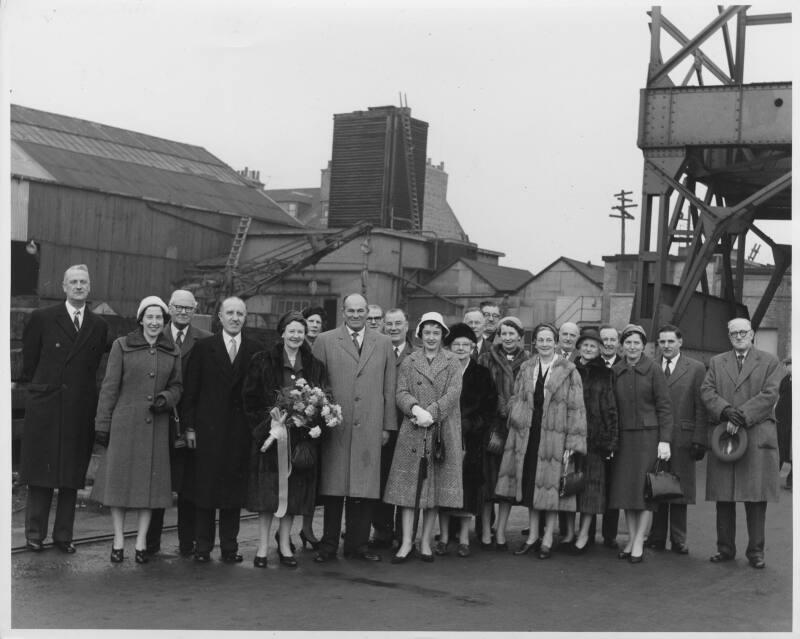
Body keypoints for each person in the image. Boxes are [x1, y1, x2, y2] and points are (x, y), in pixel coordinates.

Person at [19, 264, 109, 553]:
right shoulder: (43, 318)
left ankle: (63, 536)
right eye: (74, 282)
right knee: (41, 474)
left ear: (89, 287)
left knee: (71, 476)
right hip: (47, 405)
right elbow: (30, 363)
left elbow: (93, 368)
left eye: (84, 282)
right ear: (63, 287)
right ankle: (34, 534)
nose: (79, 286)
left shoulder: (98, 326)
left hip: (78, 408)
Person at [91, 296, 182, 563]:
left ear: (165, 321)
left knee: (149, 489)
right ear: (141, 319)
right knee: (118, 486)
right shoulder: (122, 346)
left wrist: (167, 397)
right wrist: (102, 424)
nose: (154, 322)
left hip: (156, 426)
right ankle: (118, 541)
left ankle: (141, 543)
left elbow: (178, 386)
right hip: (124, 425)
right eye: (149, 317)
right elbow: (109, 387)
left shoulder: (172, 351)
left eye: (159, 318)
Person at [311, 293, 397, 562]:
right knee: (334, 489)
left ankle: (358, 546)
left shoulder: (383, 343)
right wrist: (321, 419)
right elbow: (316, 384)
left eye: (361, 310)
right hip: (337, 425)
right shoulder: (324, 340)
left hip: (371, 425)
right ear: (343, 312)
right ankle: (328, 545)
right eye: (352, 310)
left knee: (364, 489)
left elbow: (389, 387)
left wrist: (387, 427)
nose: (357, 315)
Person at [243, 311, 328, 568]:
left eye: (300, 332)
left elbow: (323, 399)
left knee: (292, 497)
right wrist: (268, 424)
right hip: (271, 439)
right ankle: (261, 547)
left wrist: (310, 421)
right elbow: (249, 399)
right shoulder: (262, 361)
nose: (295, 336)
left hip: (299, 441)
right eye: (291, 331)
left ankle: (284, 546)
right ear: (282, 332)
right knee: (267, 497)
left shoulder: (315, 366)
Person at [496, 322, 587, 560]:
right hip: (528, 436)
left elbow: (577, 409)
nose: (544, 344)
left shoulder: (569, 370)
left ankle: (548, 537)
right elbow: (516, 397)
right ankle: (532, 536)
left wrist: (573, 445)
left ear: (555, 342)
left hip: (556, 437)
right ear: (533, 342)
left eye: (549, 340)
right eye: (540, 340)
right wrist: (516, 415)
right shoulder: (526, 367)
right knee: (530, 486)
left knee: (552, 488)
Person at [701, 317, 783, 569]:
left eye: (743, 332)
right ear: (729, 336)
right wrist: (725, 410)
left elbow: (770, 394)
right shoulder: (716, 362)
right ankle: (725, 548)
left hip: (756, 435)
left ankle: (756, 551)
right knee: (724, 496)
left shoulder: (769, 361)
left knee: (756, 499)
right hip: (726, 433)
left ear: (752, 334)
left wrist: (743, 415)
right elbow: (707, 391)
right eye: (734, 333)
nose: (739, 336)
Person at [183, 297, 258, 563]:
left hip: (240, 432)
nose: (235, 317)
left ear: (245, 317)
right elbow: (191, 390)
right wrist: (190, 427)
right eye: (230, 313)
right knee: (205, 490)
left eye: (240, 313)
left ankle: (229, 547)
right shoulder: (204, 348)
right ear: (220, 317)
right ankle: (202, 547)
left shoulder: (254, 350)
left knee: (232, 493)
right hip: (208, 430)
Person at [385, 312, 463, 563]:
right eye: (427, 332)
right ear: (420, 334)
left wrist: (433, 412)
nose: (431, 337)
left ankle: (426, 542)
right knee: (408, 492)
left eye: (436, 333)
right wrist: (415, 409)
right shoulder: (410, 360)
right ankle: (407, 542)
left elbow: (454, 392)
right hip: (413, 430)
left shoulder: (452, 361)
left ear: (442, 335)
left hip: (440, 431)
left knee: (434, 490)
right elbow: (401, 391)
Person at [146, 289, 211, 557]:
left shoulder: (206, 340)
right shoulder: (155, 335)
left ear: (194, 310)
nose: (183, 312)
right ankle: (150, 543)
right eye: (178, 307)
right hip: (161, 417)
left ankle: (188, 542)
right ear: (169, 309)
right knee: (158, 480)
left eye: (188, 308)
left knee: (189, 484)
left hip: (191, 420)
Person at [608, 324, 673, 564]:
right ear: (622, 346)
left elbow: (665, 407)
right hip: (624, 438)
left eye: (637, 343)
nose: (632, 347)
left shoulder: (654, 370)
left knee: (644, 491)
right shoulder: (616, 371)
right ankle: (632, 537)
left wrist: (664, 440)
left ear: (643, 345)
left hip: (648, 438)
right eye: (628, 343)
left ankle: (638, 542)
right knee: (627, 491)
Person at [436, 323, 498, 557]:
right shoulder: (442, 371)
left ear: (473, 348)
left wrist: (472, 425)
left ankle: (463, 538)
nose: (461, 349)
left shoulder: (481, 374)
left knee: (467, 490)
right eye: (456, 345)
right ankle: (442, 537)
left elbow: (490, 408)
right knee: (443, 488)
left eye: (466, 345)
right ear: (449, 348)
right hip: (443, 437)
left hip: (471, 442)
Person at [645, 324, 708, 555]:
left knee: (680, 489)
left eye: (671, 341)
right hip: (657, 435)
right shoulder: (651, 367)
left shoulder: (696, 368)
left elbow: (701, 406)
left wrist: (700, 439)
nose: (667, 346)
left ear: (680, 342)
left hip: (684, 436)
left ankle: (679, 539)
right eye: (662, 342)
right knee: (658, 484)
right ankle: (657, 536)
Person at [477, 316, 530, 549]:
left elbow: (530, 392)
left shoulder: (529, 361)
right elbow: (481, 388)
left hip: (516, 428)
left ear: (520, 336)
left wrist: (514, 406)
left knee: (507, 482)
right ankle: (487, 531)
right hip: (491, 428)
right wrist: (498, 403)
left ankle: (501, 531)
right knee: (488, 482)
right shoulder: (486, 358)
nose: (508, 338)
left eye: (512, 334)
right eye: (504, 333)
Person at [566, 328, 618, 553]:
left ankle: (584, 534)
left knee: (591, 491)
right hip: (568, 437)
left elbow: (610, 408)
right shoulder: (568, 370)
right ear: (579, 347)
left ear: (599, 350)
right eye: (585, 345)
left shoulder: (606, 374)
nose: (588, 349)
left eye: (593, 346)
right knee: (568, 487)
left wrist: (610, 440)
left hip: (594, 440)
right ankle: (568, 533)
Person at [370, 308, 415, 549]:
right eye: (390, 323)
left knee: (406, 481)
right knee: (382, 478)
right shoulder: (375, 351)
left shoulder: (415, 355)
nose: (394, 328)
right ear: (384, 326)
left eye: (399, 323)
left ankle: (403, 533)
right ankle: (382, 530)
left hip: (409, 425)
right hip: (382, 426)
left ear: (407, 326)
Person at [298, 304, 327, 547]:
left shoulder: (323, 347)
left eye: (319, 322)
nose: (314, 325)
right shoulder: (297, 345)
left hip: (314, 421)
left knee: (312, 481)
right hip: (295, 418)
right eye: (311, 321)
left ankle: (306, 528)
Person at [595, 324, 622, 547]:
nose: (609, 343)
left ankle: (609, 535)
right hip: (592, 435)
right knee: (591, 484)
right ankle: (585, 531)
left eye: (613, 339)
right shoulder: (585, 364)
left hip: (615, 433)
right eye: (604, 339)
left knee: (612, 485)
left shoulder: (624, 366)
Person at [776, 358, 791, 490]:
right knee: (782, 449)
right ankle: (779, 478)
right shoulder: (785, 380)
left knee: (792, 451)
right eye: (786, 365)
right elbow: (780, 395)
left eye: (789, 365)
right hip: (781, 421)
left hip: (792, 422)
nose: (787, 367)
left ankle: (792, 482)